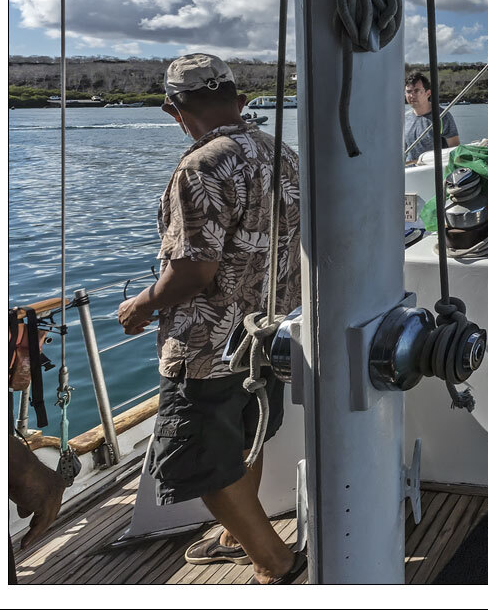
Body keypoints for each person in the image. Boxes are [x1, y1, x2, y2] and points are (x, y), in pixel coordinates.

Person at [115, 53, 305, 584]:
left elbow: (194, 272)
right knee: (249, 435)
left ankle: (278, 564)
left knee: (201, 455)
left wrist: (142, 305)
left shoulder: (202, 165)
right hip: (266, 333)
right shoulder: (281, 154)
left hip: (207, 345)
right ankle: (233, 537)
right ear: (240, 101)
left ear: (174, 110)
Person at [403, 72, 459, 163]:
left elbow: (455, 150)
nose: (411, 95)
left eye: (417, 91)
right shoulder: (405, 119)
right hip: (410, 173)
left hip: (433, 172)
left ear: (428, 93)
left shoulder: (442, 116)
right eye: (408, 92)